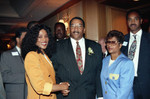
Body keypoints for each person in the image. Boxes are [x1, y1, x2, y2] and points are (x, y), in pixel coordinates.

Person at [52, 17, 103, 99]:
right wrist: (60, 85)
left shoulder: (95, 47)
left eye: (79, 26)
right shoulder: (57, 47)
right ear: (69, 30)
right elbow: (53, 71)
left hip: (88, 95)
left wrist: (100, 96)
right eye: (73, 26)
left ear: (84, 30)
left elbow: (98, 73)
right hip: (67, 96)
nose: (76, 29)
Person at [21, 24, 70, 99]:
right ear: (33, 39)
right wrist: (61, 86)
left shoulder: (44, 54)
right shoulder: (31, 56)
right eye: (40, 37)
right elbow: (40, 87)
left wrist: (60, 86)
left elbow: (49, 79)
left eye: (46, 36)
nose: (44, 40)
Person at [121, 9, 150, 99]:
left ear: (141, 21)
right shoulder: (122, 40)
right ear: (127, 22)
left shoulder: (148, 38)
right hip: (126, 83)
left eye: (135, 19)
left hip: (146, 84)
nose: (132, 22)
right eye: (129, 19)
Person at [101, 30, 134, 99]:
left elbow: (124, 92)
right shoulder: (104, 61)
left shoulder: (126, 63)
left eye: (113, 42)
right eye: (108, 42)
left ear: (120, 45)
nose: (109, 45)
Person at [0, 27, 27, 99]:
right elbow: (4, 76)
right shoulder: (6, 55)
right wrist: (26, 77)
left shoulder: (32, 55)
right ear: (18, 39)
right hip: (15, 96)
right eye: (25, 38)